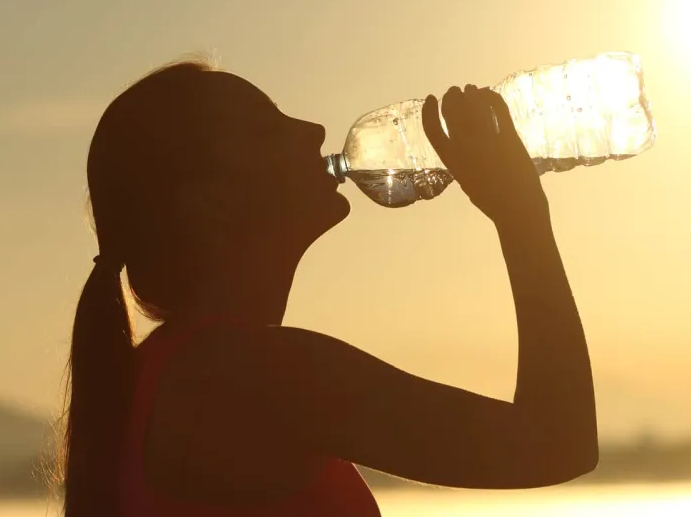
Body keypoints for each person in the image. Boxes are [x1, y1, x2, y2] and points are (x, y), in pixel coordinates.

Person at [58, 59, 599, 517]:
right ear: (212, 204)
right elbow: (555, 443)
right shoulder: (247, 373)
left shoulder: (168, 375)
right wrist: (521, 216)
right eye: (269, 128)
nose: (312, 130)